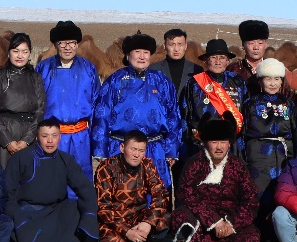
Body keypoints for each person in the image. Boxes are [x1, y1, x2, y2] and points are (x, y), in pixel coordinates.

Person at [5, 118, 101, 242]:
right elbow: (7, 193)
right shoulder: (20, 158)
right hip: (28, 215)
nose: (50, 141)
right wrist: (16, 216)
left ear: (60, 137)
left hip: (56, 213)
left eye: (54, 135)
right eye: (45, 136)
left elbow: (85, 188)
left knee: (77, 207)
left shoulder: (66, 160)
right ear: (37, 137)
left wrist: (90, 215)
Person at [91, 32, 184, 188]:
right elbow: (101, 114)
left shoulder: (161, 81)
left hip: (154, 149)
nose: (142, 57)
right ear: (128, 56)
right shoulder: (115, 80)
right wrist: (100, 150)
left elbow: (173, 116)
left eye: (146, 53)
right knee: (122, 192)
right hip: (121, 148)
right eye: (137, 52)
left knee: (155, 193)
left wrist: (171, 150)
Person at [172, 112, 261, 242]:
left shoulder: (238, 165)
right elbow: (186, 194)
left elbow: (250, 198)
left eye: (223, 142)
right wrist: (213, 221)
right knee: (181, 216)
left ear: (229, 144)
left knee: (251, 230)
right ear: (205, 143)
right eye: (214, 142)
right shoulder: (194, 163)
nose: (219, 147)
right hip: (202, 220)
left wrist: (231, 224)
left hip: (228, 220)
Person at [94, 130, 173, 242]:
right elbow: (103, 208)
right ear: (122, 147)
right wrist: (126, 231)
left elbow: (161, 195)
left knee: (164, 218)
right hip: (113, 221)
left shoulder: (147, 165)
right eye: (133, 149)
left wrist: (147, 222)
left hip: (137, 217)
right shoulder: (106, 168)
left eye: (141, 151)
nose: (137, 155)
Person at [36, 20, 101, 174]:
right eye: (62, 43)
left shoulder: (88, 68)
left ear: (77, 45)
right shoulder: (43, 68)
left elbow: (97, 105)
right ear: (56, 45)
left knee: (80, 178)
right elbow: (34, 104)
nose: (67, 47)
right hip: (52, 138)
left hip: (81, 139)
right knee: (51, 177)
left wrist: (98, 144)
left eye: (71, 42)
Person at [240, 58, 297, 194]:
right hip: (257, 159)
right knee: (258, 195)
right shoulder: (250, 104)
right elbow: (241, 136)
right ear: (260, 81)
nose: (273, 84)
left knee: (284, 194)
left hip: (284, 157)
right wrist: (243, 162)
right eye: (268, 79)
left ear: (281, 81)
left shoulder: (288, 105)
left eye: (277, 79)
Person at [0, 32, 48, 169]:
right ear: (9, 53)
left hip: (28, 135)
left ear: (29, 54)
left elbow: (40, 110)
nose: (20, 56)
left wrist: (27, 140)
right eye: (16, 51)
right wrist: (8, 141)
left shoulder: (35, 78)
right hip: (3, 135)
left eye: (24, 52)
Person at [180, 38, 248, 158]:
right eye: (213, 57)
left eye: (222, 57)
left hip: (231, 147)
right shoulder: (194, 84)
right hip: (201, 146)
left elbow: (246, 113)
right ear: (206, 60)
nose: (218, 62)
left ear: (227, 60)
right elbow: (184, 116)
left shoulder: (238, 82)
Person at [151, 28, 199, 97]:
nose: (176, 49)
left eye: (180, 44)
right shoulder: (153, 69)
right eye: (171, 45)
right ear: (164, 46)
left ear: (185, 46)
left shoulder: (196, 70)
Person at [229, 19, 271, 91]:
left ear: (266, 45)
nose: (256, 47)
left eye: (260, 43)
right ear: (243, 45)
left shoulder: (274, 69)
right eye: (251, 43)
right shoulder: (233, 70)